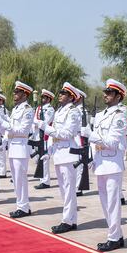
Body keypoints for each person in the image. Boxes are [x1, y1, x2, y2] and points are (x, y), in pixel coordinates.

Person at [83, 79, 127, 251]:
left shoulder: (120, 115)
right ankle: (116, 234)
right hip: (101, 162)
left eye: (109, 93)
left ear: (118, 96)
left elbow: (113, 141)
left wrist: (91, 135)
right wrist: (93, 158)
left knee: (112, 202)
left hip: (112, 163)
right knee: (104, 202)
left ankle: (114, 237)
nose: (105, 95)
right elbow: (96, 142)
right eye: (105, 92)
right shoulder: (101, 115)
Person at [37, 82, 82, 233]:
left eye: (63, 93)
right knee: (64, 190)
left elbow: (66, 134)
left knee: (68, 190)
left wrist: (45, 127)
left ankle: (67, 221)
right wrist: (48, 152)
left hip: (68, 154)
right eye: (60, 92)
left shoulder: (73, 112)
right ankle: (71, 219)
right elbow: (54, 134)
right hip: (59, 154)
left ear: (71, 97)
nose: (60, 95)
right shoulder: (59, 111)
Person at [3, 81, 34, 218]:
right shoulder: (15, 109)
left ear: (24, 94)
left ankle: (24, 207)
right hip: (13, 147)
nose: (14, 94)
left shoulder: (27, 109)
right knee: (16, 179)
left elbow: (24, 130)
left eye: (17, 92)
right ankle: (20, 205)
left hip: (21, 148)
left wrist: (6, 126)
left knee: (20, 179)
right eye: (14, 92)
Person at [33, 90, 56, 189]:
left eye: (44, 98)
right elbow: (35, 122)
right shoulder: (38, 108)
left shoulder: (50, 109)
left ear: (48, 99)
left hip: (46, 136)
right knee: (39, 158)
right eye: (42, 97)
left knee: (45, 158)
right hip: (38, 135)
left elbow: (45, 123)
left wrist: (36, 122)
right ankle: (41, 179)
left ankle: (46, 181)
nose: (42, 99)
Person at [0, 93, 9, 179]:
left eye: (0, 100)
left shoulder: (4, 110)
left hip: (2, 134)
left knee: (1, 154)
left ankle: (2, 172)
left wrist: (6, 136)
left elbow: (7, 123)